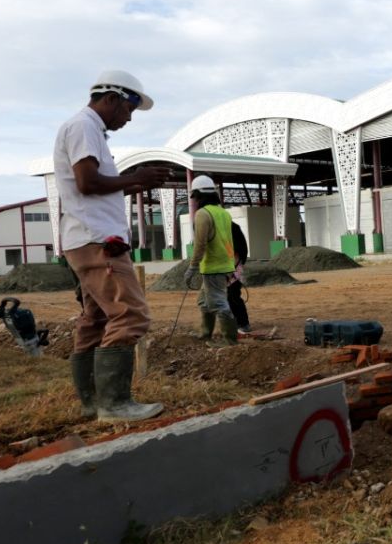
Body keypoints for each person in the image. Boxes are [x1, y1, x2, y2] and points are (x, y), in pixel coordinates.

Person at [54, 70, 171, 422]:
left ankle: (92, 402)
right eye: (129, 109)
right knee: (130, 314)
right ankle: (114, 405)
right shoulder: (84, 126)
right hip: (99, 241)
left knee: (96, 319)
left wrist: (132, 185)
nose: (129, 117)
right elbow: (87, 183)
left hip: (86, 238)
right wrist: (136, 177)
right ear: (113, 98)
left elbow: (91, 185)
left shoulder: (88, 130)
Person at [184, 175, 238, 345]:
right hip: (225, 264)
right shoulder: (223, 213)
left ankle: (229, 340)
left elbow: (200, 245)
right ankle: (205, 333)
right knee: (204, 301)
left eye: (195, 197)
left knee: (219, 303)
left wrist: (192, 267)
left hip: (213, 266)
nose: (194, 201)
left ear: (199, 195)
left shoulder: (202, 214)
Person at [228, 220, 252, 334]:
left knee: (233, 297)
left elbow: (236, 254)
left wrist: (230, 271)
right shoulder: (231, 229)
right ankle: (235, 322)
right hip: (228, 268)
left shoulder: (232, 230)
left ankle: (244, 324)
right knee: (228, 298)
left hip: (233, 269)